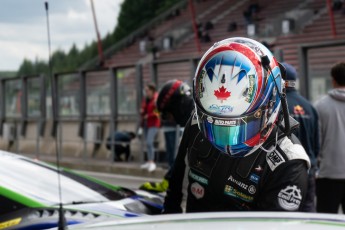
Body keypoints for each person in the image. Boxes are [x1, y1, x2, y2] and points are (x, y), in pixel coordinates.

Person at [163, 37, 310, 213]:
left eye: (237, 125)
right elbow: (175, 186)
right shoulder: (196, 123)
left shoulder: (288, 162)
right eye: (217, 122)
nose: (226, 139)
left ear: (270, 103)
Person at [140, 79, 194, 192]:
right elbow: (181, 162)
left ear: (177, 106)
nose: (172, 119)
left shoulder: (201, 125)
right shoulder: (193, 126)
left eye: (169, 114)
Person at [282, 62, 320, 212]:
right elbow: (317, 144)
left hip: (286, 172)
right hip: (309, 169)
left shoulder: (276, 105)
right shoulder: (309, 106)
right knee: (309, 213)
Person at [314, 61, 345, 214]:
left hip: (328, 174)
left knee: (326, 222)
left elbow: (317, 142)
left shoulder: (320, 106)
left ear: (333, 80)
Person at [140, 83, 161, 172]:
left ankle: (152, 162)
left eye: (147, 91)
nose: (146, 92)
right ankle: (149, 161)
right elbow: (143, 107)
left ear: (152, 90)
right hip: (146, 124)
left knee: (149, 142)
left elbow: (158, 112)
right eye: (145, 91)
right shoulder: (146, 99)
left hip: (154, 124)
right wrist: (142, 110)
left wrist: (148, 115)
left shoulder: (156, 99)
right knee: (147, 143)